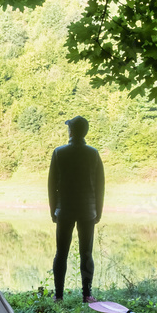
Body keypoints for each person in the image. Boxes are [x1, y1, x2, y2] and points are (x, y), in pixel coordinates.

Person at [47, 115, 105, 302]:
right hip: (88, 211)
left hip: (64, 209)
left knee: (61, 253)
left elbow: (51, 185)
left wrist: (53, 210)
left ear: (71, 131)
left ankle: (59, 295)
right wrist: (98, 211)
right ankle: (87, 295)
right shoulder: (93, 153)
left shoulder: (59, 152)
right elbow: (100, 185)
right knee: (86, 253)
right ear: (85, 132)